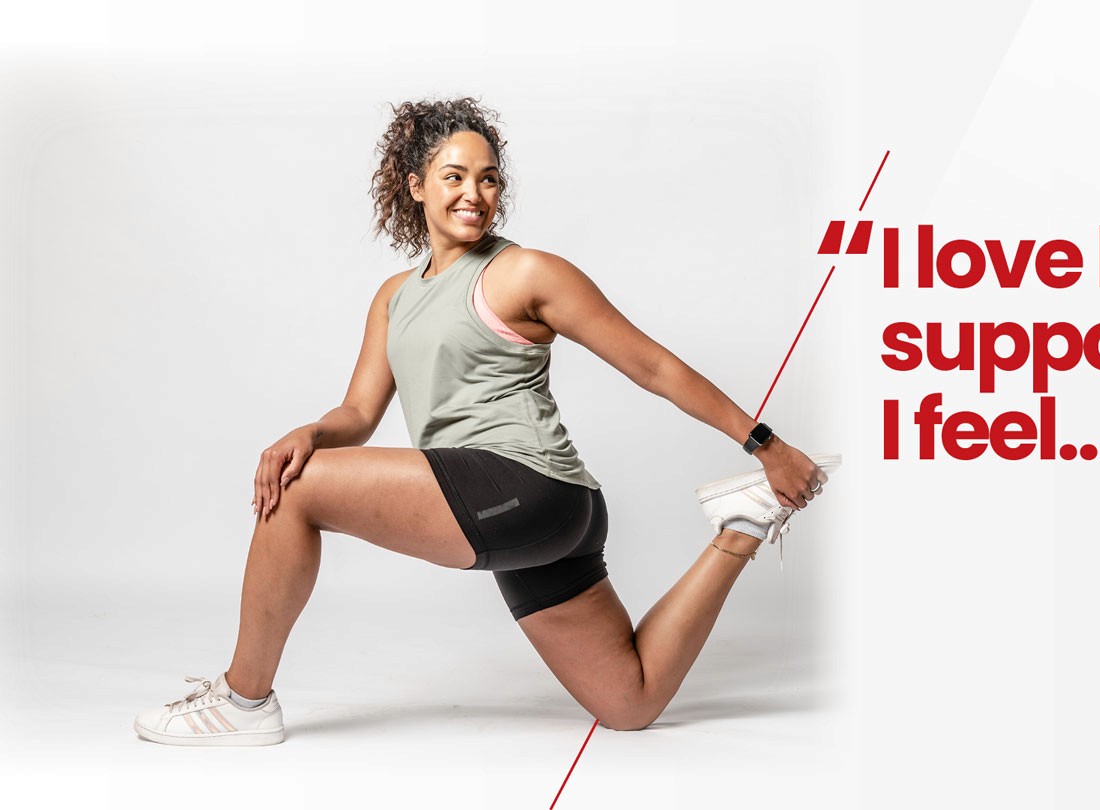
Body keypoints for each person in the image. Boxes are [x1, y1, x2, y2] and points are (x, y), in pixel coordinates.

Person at [132, 97, 838, 746]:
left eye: (490, 178)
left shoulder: (524, 272)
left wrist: (763, 443)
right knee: (630, 701)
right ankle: (743, 524)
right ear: (415, 186)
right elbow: (358, 413)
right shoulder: (393, 297)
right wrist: (309, 433)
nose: (475, 193)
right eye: (454, 176)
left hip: (523, 485)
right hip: (532, 515)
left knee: (299, 490)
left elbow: (651, 366)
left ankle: (245, 703)